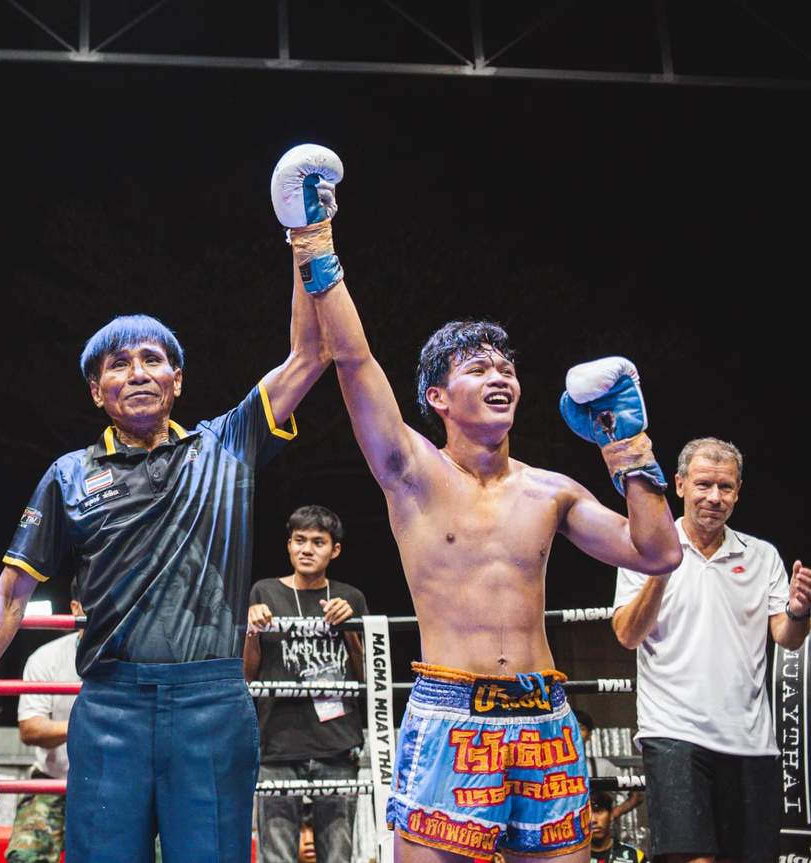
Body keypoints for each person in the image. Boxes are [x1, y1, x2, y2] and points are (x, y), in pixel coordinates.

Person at [284, 143, 683, 860]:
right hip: (449, 714)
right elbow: (351, 358)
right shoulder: (409, 469)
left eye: (505, 367)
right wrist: (312, 240)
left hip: (546, 713)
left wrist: (628, 445)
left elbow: (657, 550)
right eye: (476, 368)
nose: (498, 375)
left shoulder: (552, 489)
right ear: (437, 396)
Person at [0, 259, 330, 860]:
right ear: (96, 390)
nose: (137, 372)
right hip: (112, 706)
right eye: (118, 364)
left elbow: (310, 356)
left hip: (211, 703)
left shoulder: (226, 446)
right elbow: (9, 596)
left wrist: (305, 239)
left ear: (177, 379)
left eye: (152, 359)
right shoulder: (69, 475)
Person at [611, 437, 811, 863]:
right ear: (681, 485)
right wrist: (660, 572)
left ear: (738, 492)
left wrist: (798, 612)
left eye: (725, 488)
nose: (714, 498)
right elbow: (627, 635)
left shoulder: (762, 556)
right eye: (704, 485)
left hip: (751, 741)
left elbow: (787, 637)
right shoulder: (643, 550)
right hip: (673, 734)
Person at [245, 505, 367, 863]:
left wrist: (351, 629)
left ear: (335, 550)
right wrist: (252, 631)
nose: (307, 549)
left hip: (337, 743)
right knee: (277, 856)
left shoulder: (350, 597)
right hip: (277, 743)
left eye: (318, 541)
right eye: (299, 540)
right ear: (288, 545)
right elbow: (247, 676)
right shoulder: (264, 592)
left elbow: (365, 676)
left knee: (337, 856)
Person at [4, 594, 82, 863]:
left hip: (117, 784)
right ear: (75, 607)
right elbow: (31, 729)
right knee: (24, 857)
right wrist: (87, 727)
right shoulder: (47, 657)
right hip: (53, 781)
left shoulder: (132, 658)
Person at [571, 709, 642, 823]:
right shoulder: (549, 769)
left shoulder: (602, 766)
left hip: (594, 834)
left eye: (580, 728)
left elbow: (636, 797)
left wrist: (611, 815)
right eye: (569, 727)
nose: (574, 732)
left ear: (589, 735)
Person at [586, 793, 644, 863]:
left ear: (611, 815)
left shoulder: (634, 856)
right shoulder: (572, 857)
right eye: (587, 814)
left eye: (599, 811)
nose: (593, 820)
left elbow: (637, 796)